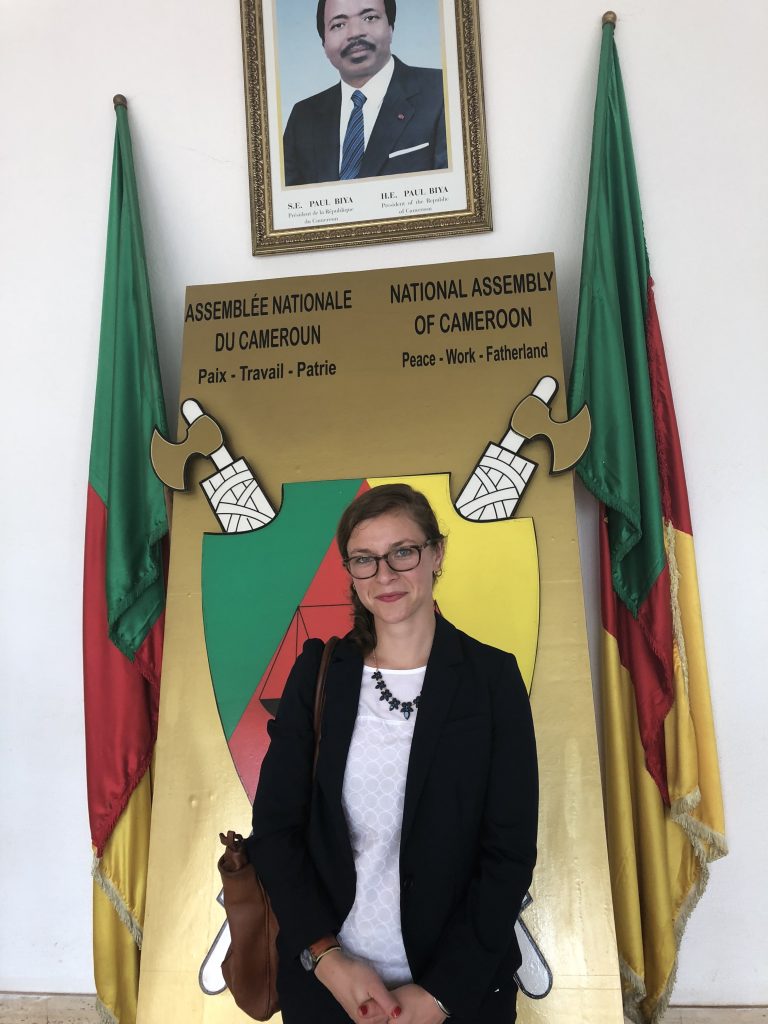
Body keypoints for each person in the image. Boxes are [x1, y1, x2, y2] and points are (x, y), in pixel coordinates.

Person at [248, 484, 538, 1023]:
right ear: (351, 572)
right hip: (329, 991)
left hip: (460, 994)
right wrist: (328, 961)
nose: (385, 574)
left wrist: (441, 994)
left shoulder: (492, 679)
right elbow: (275, 832)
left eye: (402, 552)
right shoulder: (317, 676)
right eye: (365, 559)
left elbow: (510, 853)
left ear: (436, 554)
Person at [283, 0, 448, 186]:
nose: (355, 33)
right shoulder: (303, 117)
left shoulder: (442, 91)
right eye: (338, 25)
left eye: (369, 17)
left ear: (391, 27)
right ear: (324, 43)